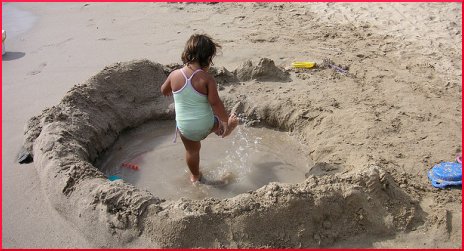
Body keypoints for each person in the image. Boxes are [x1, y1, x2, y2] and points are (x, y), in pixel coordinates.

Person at [161, 34, 238, 183]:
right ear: (208, 59)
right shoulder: (206, 79)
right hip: (206, 124)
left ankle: (195, 176)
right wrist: (224, 121)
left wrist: (170, 89)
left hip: (186, 128)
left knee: (192, 150)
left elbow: (163, 90)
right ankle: (225, 130)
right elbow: (215, 103)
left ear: (186, 54)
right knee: (217, 123)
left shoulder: (174, 75)